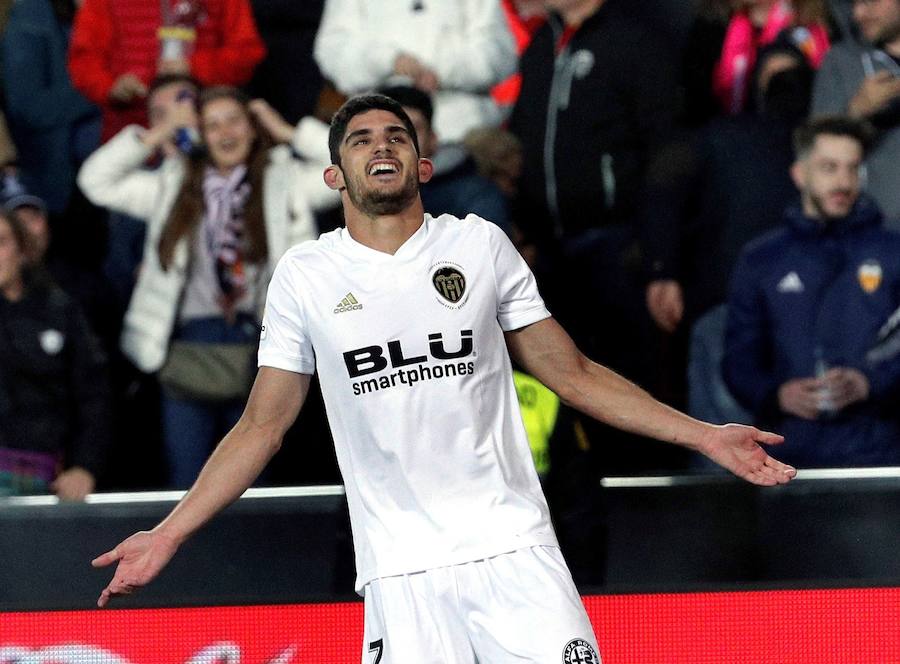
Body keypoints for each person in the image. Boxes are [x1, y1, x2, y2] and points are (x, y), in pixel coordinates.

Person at [92, 94, 796, 663]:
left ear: (422, 164)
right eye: (361, 138)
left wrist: (704, 434)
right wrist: (170, 532)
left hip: (514, 547)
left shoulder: (477, 244)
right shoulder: (306, 276)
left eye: (396, 135)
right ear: (333, 175)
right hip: (402, 571)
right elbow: (263, 424)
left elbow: (571, 372)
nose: (381, 146)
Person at [77, 85, 336, 488]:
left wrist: (286, 130)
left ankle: (251, 553)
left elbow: (346, 167)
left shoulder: (285, 181)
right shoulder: (173, 185)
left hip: (260, 345)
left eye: (234, 120)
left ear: (252, 128)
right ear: (200, 134)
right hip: (186, 348)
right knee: (189, 481)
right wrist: (162, 131)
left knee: (252, 480)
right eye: (211, 124)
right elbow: (96, 181)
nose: (224, 132)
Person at [723, 115, 900, 468]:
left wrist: (870, 384)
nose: (844, 182)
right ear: (800, 174)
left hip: (882, 451)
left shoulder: (892, 252)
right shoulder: (762, 259)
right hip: (788, 457)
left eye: (852, 169)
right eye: (829, 168)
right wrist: (776, 395)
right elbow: (738, 361)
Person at [0, 211, 112, 500]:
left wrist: (85, 468)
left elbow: (94, 396)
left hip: (45, 475)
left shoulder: (60, 310)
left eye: (0, 242)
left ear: (22, 250)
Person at [313, 0, 516, 144]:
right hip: (380, 140)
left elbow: (499, 54)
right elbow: (332, 53)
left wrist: (441, 71)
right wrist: (388, 61)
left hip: (463, 140)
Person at [67, 0, 266, 142]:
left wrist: (194, 67)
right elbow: (84, 61)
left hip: (207, 133)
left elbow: (246, 52)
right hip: (133, 133)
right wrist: (112, 88)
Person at [2, 0, 101, 215]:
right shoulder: (33, 15)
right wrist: (104, 89)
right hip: (60, 182)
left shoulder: (124, 12)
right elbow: (30, 108)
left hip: (128, 166)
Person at [811, 0, 900, 227]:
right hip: (876, 233)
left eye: (871, 2)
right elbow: (814, 148)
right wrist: (857, 111)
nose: (858, 13)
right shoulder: (840, 63)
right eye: (854, 3)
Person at [378, 84, 512, 234]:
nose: (400, 140)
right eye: (390, 131)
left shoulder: (475, 195)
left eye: (412, 129)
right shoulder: (355, 194)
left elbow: (486, 250)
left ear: (433, 139)